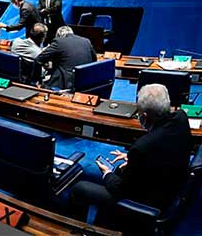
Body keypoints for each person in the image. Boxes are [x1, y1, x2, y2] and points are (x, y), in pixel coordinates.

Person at [69, 84, 192, 227]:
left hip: (149, 202)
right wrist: (134, 159)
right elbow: (167, 147)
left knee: (80, 189)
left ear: (144, 116)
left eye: (138, 113)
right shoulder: (181, 117)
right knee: (121, 170)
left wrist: (107, 173)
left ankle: (72, 229)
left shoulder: (142, 147)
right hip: (172, 185)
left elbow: (120, 190)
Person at [37, 25, 95, 90]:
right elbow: (94, 60)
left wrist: (36, 80)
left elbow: (39, 59)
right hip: (86, 81)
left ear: (59, 36)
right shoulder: (86, 41)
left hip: (66, 84)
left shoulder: (59, 42)